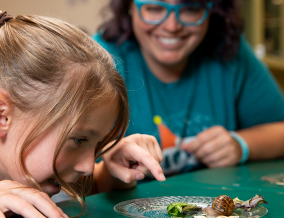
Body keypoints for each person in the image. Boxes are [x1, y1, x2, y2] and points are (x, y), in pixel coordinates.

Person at [0, 8, 165, 218]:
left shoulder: (27, 168)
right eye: (78, 140)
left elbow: (88, 184)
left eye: (97, 144)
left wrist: (113, 172)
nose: (89, 166)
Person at [93, 0, 284, 178]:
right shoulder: (95, 61)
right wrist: (109, 174)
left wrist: (241, 145)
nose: (172, 26)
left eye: (191, 9)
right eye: (154, 8)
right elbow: (69, 172)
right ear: (130, 6)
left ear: (213, 10)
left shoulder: (229, 51)